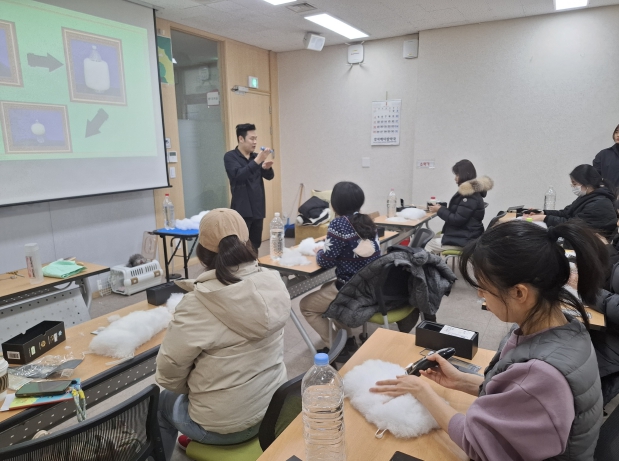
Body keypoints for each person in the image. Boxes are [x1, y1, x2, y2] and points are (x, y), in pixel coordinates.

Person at [371, 220, 607, 461]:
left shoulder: (542, 374)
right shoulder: (568, 328)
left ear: (519, 293)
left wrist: (422, 391)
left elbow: (477, 443)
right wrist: (462, 381)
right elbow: (518, 398)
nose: (480, 294)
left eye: (484, 288)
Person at [156, 208, 290, 458]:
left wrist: (194, 389)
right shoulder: (274, 281)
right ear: (247, 243)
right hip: (274, 411)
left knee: (161, 402)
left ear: (202, 253)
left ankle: (196, 438)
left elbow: (168, 372)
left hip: (224, 428)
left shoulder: (197, 303)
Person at [300, 181, 380, 361]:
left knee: (306, 306)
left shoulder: (339, 224)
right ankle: (348, 340)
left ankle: (337, 347)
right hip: (369, 286)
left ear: (335, 204)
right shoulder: (368, 221)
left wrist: (319, 251)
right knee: (326, 289)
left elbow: (326, 261)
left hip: (352, 288)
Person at [526, 164, 617, 240]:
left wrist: (544, 218)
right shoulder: (586, 197)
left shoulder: (599, 203)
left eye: (574, 184)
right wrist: (543, 212)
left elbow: (573, 224)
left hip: (591, 245)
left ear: (586, 184)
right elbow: (566, 213)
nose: (573, 186)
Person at [223, 123, 274, 251]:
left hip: (258, 208)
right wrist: (257, 162)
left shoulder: (256, 157)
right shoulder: (230, 157)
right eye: (252, 138)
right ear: (241, 138)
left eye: (256, 138)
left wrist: (266, 168)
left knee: (255, 244)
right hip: (242, 209)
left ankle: (254, 263)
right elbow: (238, 175)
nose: (255, 142)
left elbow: (269, 176)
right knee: (241, 246)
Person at [425, 159, 493, 254]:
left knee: (428, 244)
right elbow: (460, 214)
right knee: (433, 238)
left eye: (457, 175)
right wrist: (441, 209)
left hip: (466, 239)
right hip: (466, 235)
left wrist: (440, 210)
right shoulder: (472, 193)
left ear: (464, 174)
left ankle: (429, 264)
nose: (455, 178)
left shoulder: (469, 195)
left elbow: (457, 220)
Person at [593, 124, 619, 189]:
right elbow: (594, 177)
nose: (618, 135)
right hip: (609, 193)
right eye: (616, 132)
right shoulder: (603, 154)